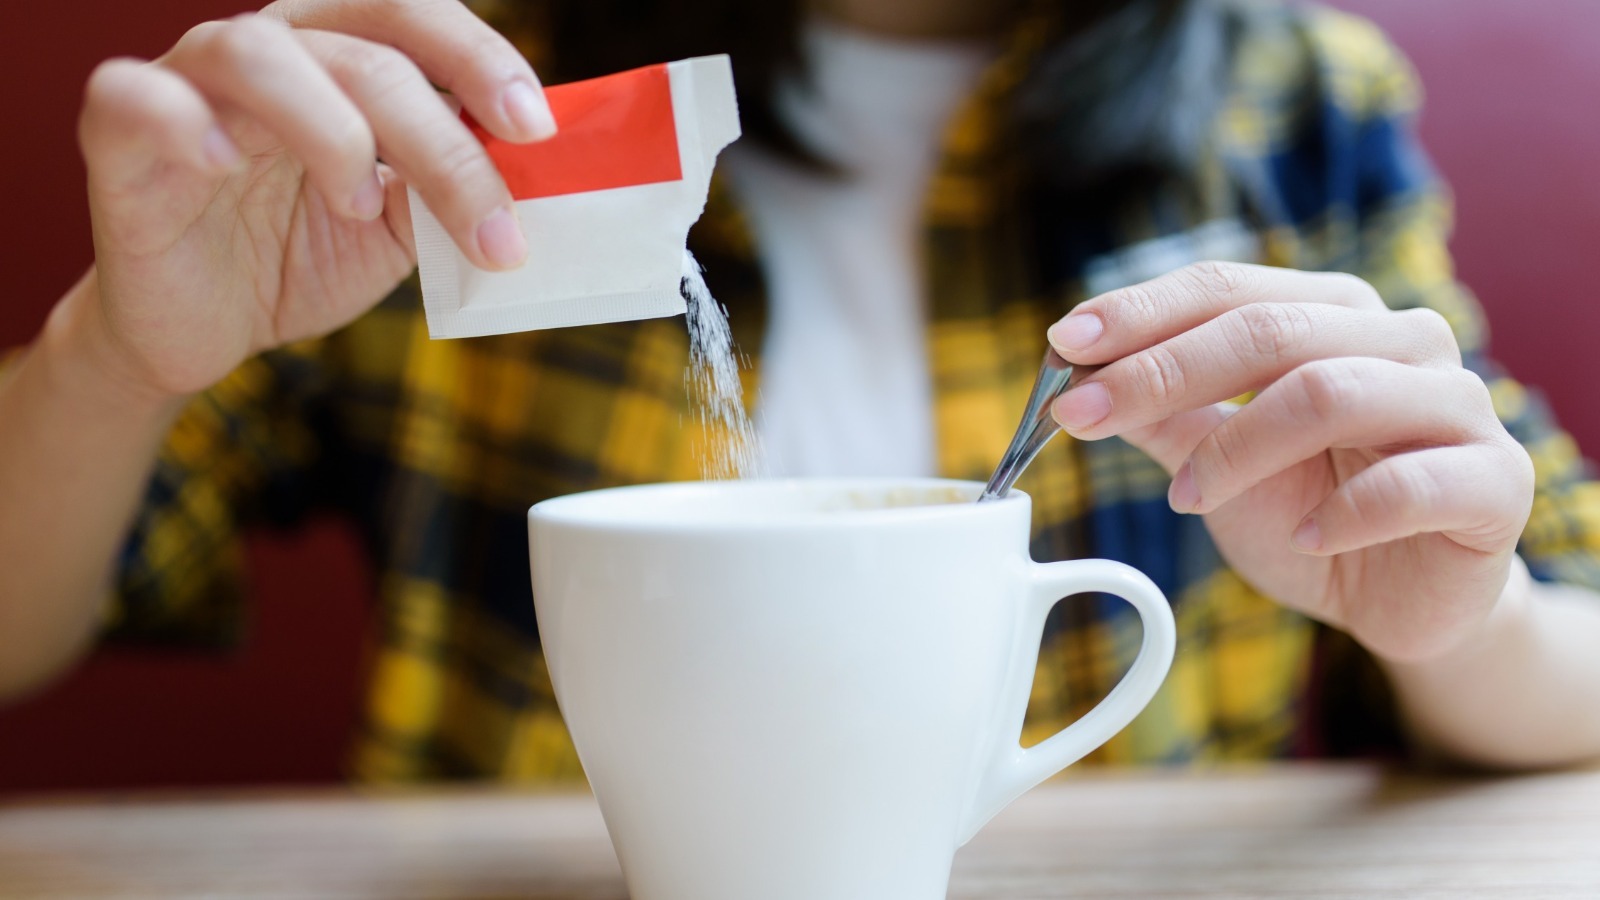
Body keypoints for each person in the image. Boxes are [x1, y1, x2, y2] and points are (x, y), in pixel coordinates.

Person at [2, 0, 1598, 783]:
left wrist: (1470, 621)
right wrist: (116, 355)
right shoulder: (443, 107)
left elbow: (1568, 623)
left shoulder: (1295, 96)